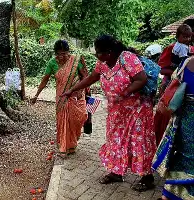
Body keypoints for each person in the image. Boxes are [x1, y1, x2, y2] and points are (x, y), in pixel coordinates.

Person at [62, 35, 157, 192]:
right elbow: (93, 77)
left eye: (99, 52)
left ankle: (147, 178)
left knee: (139, 142)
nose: (97, 55)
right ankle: (116, 172)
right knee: (115, 140)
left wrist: (123, 93)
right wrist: (73, 89)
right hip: (116, 111)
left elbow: (141, 79)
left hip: (137, 111)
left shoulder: (127, 58)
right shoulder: (103, 63)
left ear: (110, 51)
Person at [31, 40, 88, 157]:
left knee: (79, 118)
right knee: (64, 122)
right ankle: (64, 147)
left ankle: (72, 144)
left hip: (77, 96)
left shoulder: (76, 60)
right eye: (59, 54)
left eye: (65, 53)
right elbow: (45, 80)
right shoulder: (52, 63)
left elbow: (85, 77)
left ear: (69, 52)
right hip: (62, 98)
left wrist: (80, 91)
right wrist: (36, 95)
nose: (62, 57)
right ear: (55, 53)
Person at [154, 56, 194, 200]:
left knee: (183, 155)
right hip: (187, 121)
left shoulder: (185, 63)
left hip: (185, 121)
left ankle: (168, 195)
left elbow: (173, 87)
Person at [155, 20, 194, 145]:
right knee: (162, 119)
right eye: (185, 36)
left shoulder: (190, 50)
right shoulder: (172, 49)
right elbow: (161, 67)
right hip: (172, 89)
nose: (188, 39)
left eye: (189, 36)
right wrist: (176, 72)